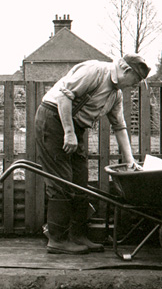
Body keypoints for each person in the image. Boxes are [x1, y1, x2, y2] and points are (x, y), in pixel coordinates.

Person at [35, 53, 150, 254]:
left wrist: (130, 160)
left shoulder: (116, 95)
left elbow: (120, 127)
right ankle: (57, 240)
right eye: (137, 80)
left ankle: (78, 236)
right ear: (127, 70)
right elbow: (63, 96)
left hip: (75, 126)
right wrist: (69, 132)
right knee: (61, 181)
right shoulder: (96, 71)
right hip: (53, 119)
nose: (135, 85)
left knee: (79, 181)